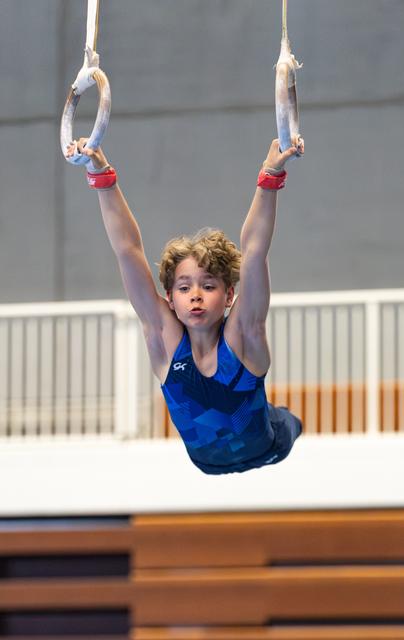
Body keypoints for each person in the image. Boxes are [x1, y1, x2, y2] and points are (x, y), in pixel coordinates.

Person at [66, 136, 304, 474]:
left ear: (230, 296)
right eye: (184, 287)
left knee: (290, 423)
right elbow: (127, 250)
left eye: (208, 286)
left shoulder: (243, 336)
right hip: (206, 462)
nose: (195, 295)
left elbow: (254, 251)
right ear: (169, 299)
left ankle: (287, 420)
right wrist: (101, 175)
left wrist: (270, 176)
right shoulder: (165, 341)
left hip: (270, 445)